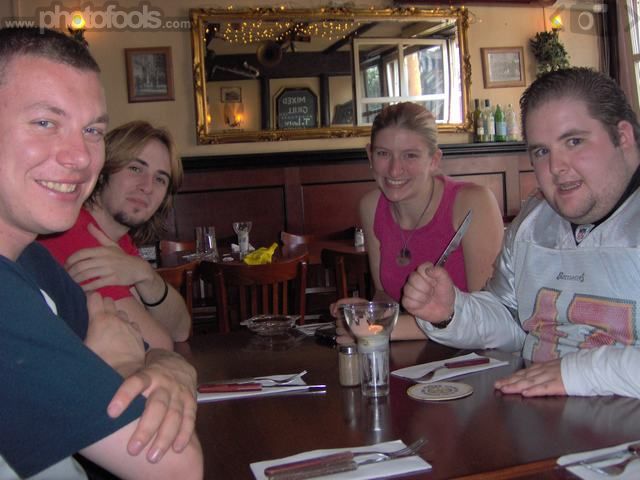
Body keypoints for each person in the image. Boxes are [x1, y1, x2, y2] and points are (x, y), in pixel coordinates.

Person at [0, 27, 202, 478]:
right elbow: (178, 468)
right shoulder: (41, 257)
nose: (79, 156)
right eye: (45, 122)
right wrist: (129, 362)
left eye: (92, 130)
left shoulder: (30, 259)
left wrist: (164, 362)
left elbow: (164, 342)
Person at [402, 67, 640, 399]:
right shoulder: (533, 222)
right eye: (541, 151)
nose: (556, 167)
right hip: (536, 415)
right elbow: (513, 319)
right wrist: (452, 311)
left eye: (574, 141)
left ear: (623, 136)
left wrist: (578, 371)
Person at [336, 102, 504, 341]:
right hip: (412, 356)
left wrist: (377, 329)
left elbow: (489, 314)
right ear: (369, 155)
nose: (395, 170)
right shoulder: (371, 206)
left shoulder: (473, 203)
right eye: (383, 154)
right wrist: (365, 313)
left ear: (434, 160)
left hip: (473, 354)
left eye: (410, 155)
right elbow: (386, 293)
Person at [40, 120, 191, 350]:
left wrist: (146, 275)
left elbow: (181, 329)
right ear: (103, 171)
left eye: (160, 179)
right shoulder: (73, 232)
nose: (147, 186)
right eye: (135, 168)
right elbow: (157, 344)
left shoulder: (117, 240)